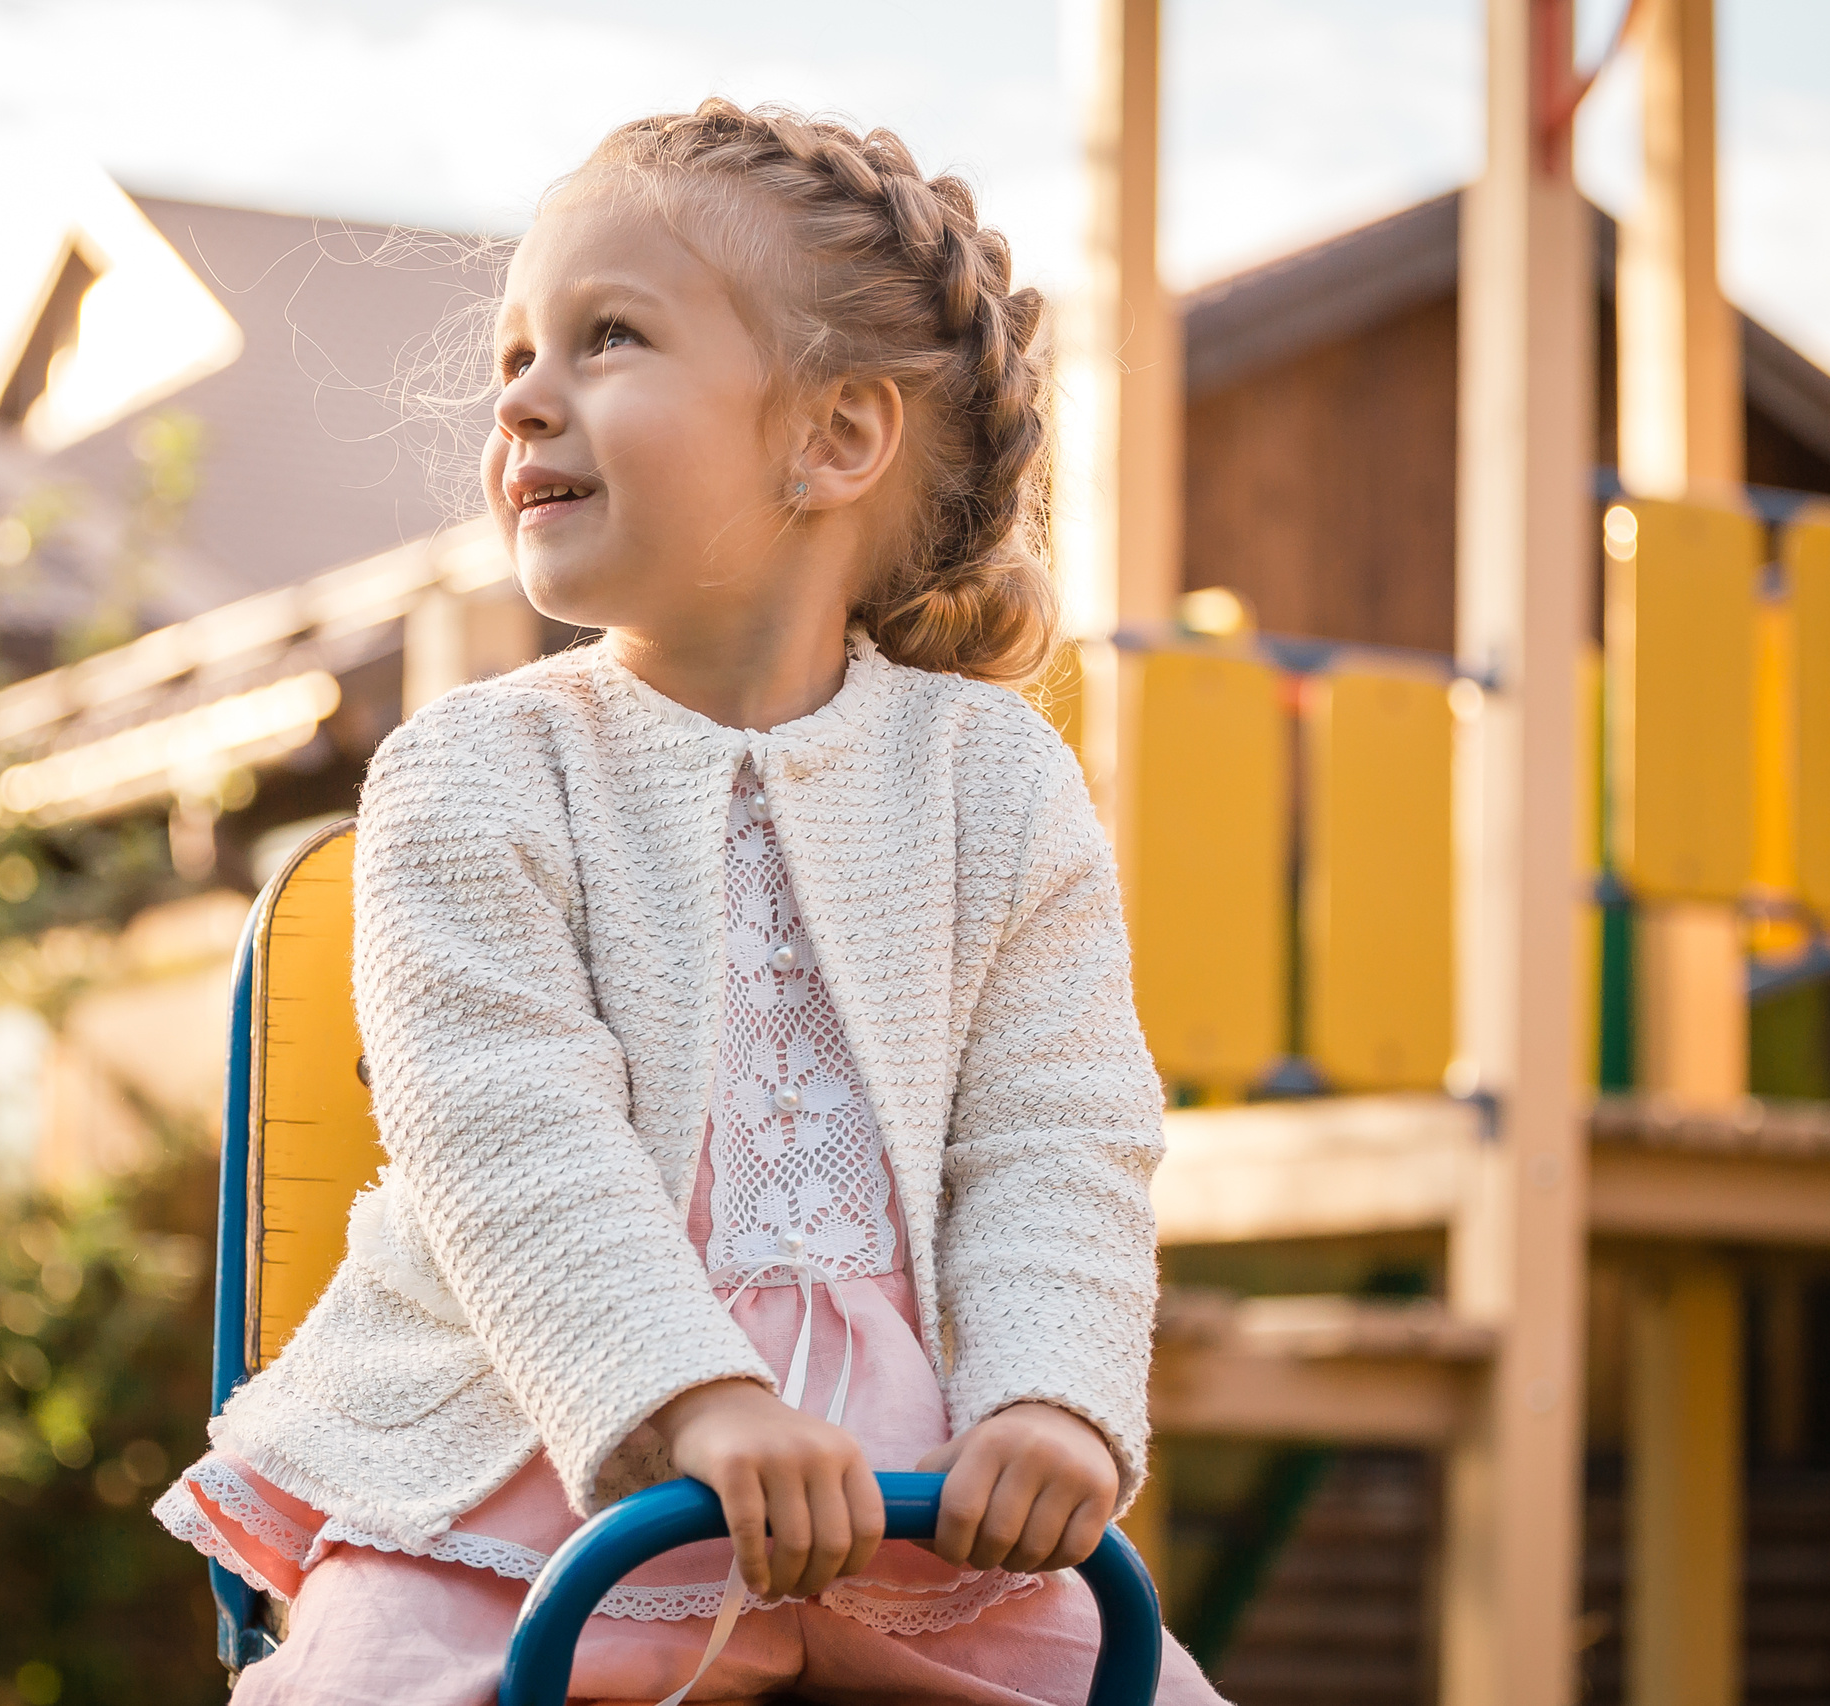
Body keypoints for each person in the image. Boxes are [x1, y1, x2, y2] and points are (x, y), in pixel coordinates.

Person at [155, 99, 1229, 1706]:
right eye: (517, 347)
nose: (523, 391)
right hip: (521, 1469)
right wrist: (690, 1400)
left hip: (907, 1504)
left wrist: (1050, 1401)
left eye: (606, 338)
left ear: (835, 437)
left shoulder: (995, 785)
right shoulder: (477, 772)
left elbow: (1058, 1131)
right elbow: (507, 1138)